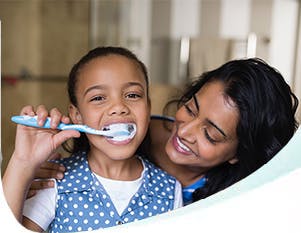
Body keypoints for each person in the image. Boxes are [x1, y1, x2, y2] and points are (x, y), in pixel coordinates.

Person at [2, 46, 183, 233]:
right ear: (77, 116)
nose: (119, 107)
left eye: (132, 95)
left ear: (148, 107)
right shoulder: (55, 182)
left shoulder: (170, 191)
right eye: (98, 98)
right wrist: (23, 162)